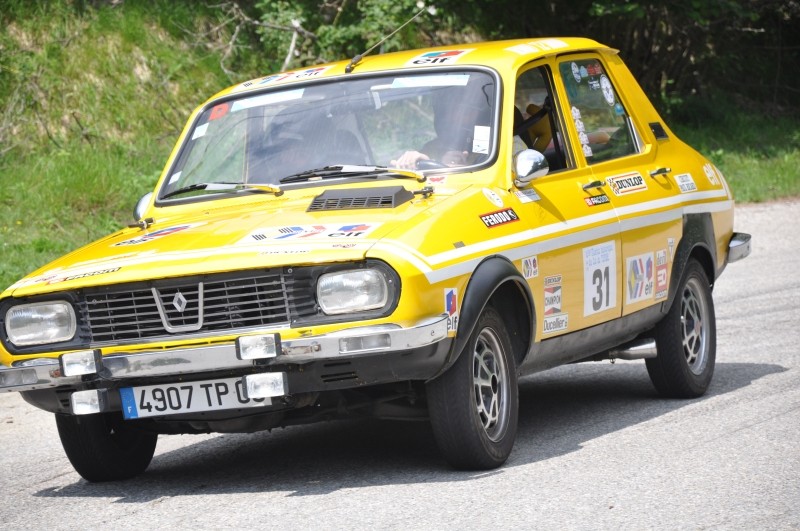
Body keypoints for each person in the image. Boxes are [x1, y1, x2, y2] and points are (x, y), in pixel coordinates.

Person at [391, 79, 492, 169]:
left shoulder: (491, 147)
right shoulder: (434, 147)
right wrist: (411, 159)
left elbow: (488, 178)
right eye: (450, 109)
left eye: (467, 110)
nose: (457, 116)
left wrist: (457, 167)